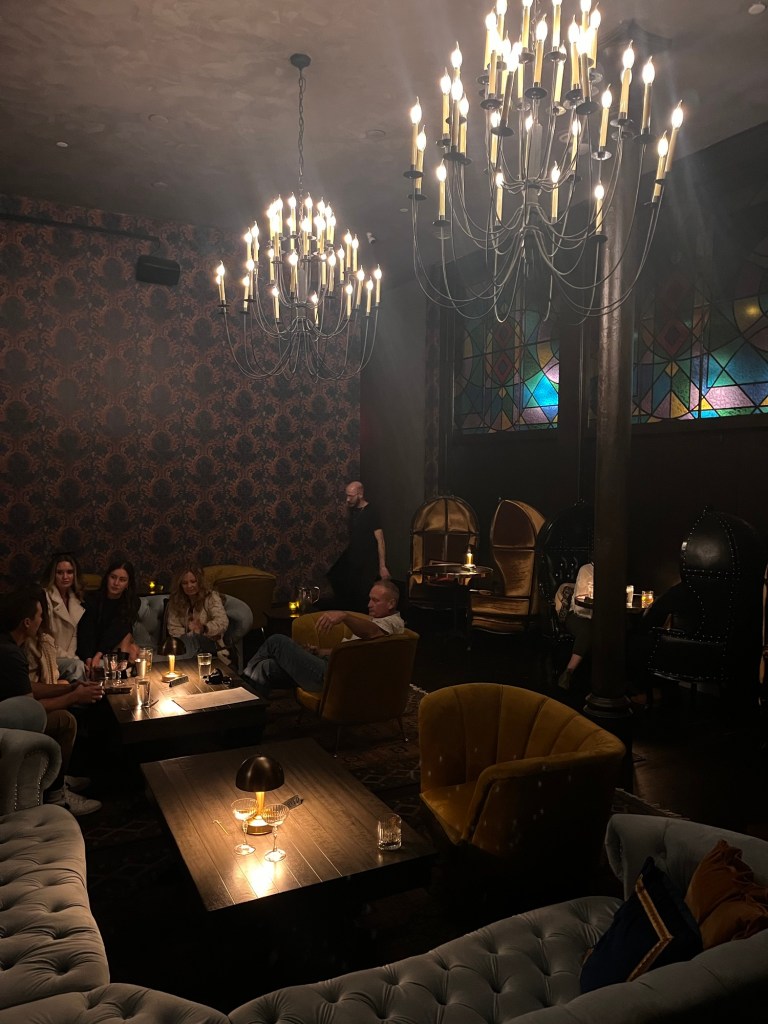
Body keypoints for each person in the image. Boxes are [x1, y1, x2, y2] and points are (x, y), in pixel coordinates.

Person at [0, 586, 103, 815]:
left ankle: (58, 777)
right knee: (65, 721)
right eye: (39, 615)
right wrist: (74, 697)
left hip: (8, 712)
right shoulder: (10, 654)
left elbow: (27, 688)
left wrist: (69, 687)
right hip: (5, 726)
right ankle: (56, 795)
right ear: (27, 622)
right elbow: (30, 711)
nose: (42, 620)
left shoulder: (9, 644)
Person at [242, 579, 404, 697]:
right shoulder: (375, 622)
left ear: (391, 604)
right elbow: (349, 651)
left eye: (375, 601)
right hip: (328, 665)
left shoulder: (393, 623)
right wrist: (319, 652)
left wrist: (345, 616)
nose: (369, 604)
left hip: (335, 676)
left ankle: (239, 685)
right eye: (369, 599)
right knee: (265, 667)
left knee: (277, 641)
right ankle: (250, 719)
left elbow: (371, 633)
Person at [327, 481, 391, 612]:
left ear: (360, 494)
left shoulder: (372, 511)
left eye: (350, 496)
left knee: (362, 592)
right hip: (353, 556)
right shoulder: (352, 510)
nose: (347, 499)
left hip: (367, 559)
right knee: (335, 576)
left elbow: (380, 540)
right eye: (347, 495)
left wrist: (382, 566)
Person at [77, 560, 141, 677]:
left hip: (114, 643)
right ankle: (123, 672)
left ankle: (122, 674)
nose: (116, 583)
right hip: (95, 642)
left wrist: (99, 654)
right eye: (113, 577)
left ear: (128, 584)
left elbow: (117, 629)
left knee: (127, 636)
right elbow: (86, 631)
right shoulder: (92, 599)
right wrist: (89, 657)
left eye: (122, 580)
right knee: (130, 644)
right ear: (107, 578)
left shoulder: (133, 602)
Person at [166, 564, 232, 664]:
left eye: (193, 581)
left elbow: (222, 622)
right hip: (186, 646)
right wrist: (190, 635)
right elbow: (173, 628)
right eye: (185, 583)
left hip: (210, 646)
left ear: (199, 582)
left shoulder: (211, 597)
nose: (189, 586)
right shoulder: (175, 601)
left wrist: (203, 628)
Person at [42, 551, 87, 681]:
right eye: (60, 572)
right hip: (48, 655)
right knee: (77, 666)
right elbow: (45, 638)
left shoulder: (77, 599)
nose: (65, 577)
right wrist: (72, 660)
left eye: (69, 572)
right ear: (53, 575)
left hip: (69, 657)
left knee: (90, 665)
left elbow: (74, 635)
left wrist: (72, 658)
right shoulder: (45, 597)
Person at [558, 561, 593, 691]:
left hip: (604, 617)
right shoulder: (586, 570)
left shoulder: (614, 571)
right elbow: (580, 606)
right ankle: (569, 672)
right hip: (579, 615)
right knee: (588, 629)